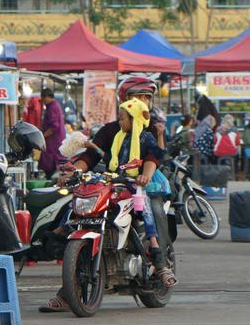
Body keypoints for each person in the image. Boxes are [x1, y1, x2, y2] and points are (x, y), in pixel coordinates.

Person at [41, 97, 172, 311]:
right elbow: (90, 156)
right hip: (111, 183)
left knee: (148, 209)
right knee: (76, 206)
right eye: (119, 116)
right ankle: (62, 241)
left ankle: (158, 258)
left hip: (134, 186)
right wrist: (76, 171)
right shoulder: (111, 132)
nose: (120, 121)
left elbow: (153, 158)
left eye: (124, 117)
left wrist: (145, 176)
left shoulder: (146, 135)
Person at [38, 88, 66, 175]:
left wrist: (42, 136)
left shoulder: (52, 107)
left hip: (53, 141)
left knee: (50, 164)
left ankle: (51, 183)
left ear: (47, 97)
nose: (42, 101)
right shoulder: (54, 105)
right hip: (55, 140)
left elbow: (54, 126)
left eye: (43, 98)